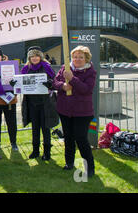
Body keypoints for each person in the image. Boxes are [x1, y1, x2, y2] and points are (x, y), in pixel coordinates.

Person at [53, 45, 96, 177]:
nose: (77, 59)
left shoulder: (90, 72)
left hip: (82, 112)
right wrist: (63, 86)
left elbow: (86, 89)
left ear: (86, 59)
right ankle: (69, 163)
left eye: (81, 57)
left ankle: (89, 168)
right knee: (69, 138)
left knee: (81, 138)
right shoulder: (65, 67)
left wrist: (72, 79)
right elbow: (55, 82)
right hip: (65, 110)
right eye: (75, 57)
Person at [18, 46, 59, 160]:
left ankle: (47, 152)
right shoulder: (26, 68)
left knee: (46, 128)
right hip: (32, 103)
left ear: (40, 56)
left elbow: (55, 81)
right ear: (29, 57)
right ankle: (35, 151)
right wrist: (14, 84)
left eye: (37, 55)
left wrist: (50, 83)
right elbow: (20, 83)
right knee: (35, 128)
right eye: (32, 56)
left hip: (45, 103)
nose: (34, 58)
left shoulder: (46, 66)